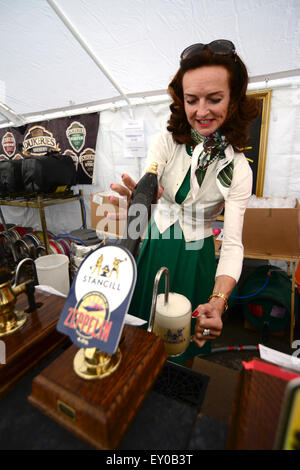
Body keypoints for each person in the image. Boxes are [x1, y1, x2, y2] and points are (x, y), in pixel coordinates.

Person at [109, 40, 260, 364]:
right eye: (192, 100)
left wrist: (218, 301)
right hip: (154, 242)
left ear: (233, 100)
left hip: (195, 256)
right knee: (139, 330)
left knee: (177, 349)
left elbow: (233, 245)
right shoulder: (166, 141)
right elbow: (145, 191)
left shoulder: (239, 169)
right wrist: (130, 234)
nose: (201, 111)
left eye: (214, 99)